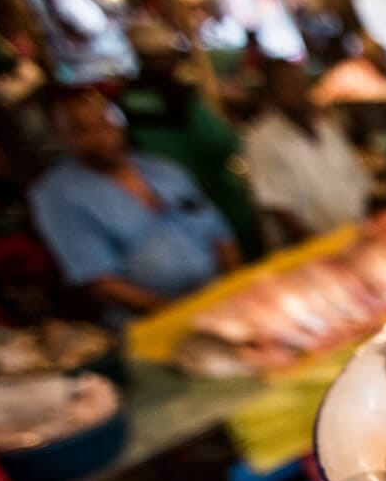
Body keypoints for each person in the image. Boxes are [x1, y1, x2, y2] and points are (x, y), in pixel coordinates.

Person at [29, 86, 238, 325]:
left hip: (219, 301)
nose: (101, 137)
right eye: (82, 130)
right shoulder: (58, 196)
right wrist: (181, 316)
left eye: (104, 123)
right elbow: (103, 284)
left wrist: (231, 290)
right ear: (61, 137)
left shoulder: (163, 169)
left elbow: (221, 236)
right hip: (152, 321)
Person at [119, 20, 262, 259]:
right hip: (211, 194)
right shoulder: (180, 95)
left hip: (161, 204)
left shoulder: (126, 100)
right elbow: (221, 141)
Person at [244, 59, 372, 245]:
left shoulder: (326, 127)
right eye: (286, 85)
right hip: (309, 248)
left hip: (354, 235)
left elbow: (357, 178)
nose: (295, 91)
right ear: (271, 93)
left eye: (298, 82)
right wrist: (317, 244)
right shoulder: (262, 139)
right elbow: (275, 204)